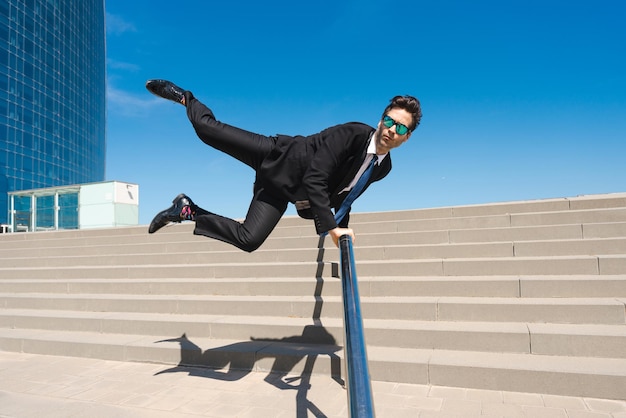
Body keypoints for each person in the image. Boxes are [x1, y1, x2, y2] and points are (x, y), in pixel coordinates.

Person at [145, 79, 421, 252]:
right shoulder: (353, 134)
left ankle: (186, 210)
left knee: (249, 239)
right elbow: (317, 178)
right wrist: (331, 228)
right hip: (277, 155)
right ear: (380, 120)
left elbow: (345, 194)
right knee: (209, 130)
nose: (391, 130)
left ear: (407, 138)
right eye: (388, 121)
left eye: (400, 127)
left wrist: (341, 226)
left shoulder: (383, 168)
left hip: (281, 189)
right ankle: (184, 97)